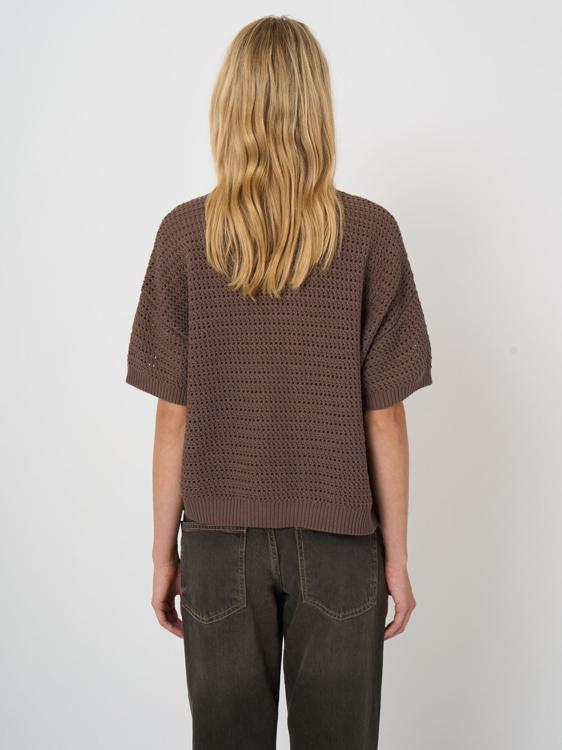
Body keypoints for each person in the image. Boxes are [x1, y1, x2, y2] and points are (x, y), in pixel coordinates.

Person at [125, 14, 432, 750]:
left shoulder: (183, 235)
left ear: (228, 108)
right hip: (341, 544)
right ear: (317, 109)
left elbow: (174, 415)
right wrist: (395, 557)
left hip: (216, 543)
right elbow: (383, 418)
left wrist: (164, 554)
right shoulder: (370, 233)